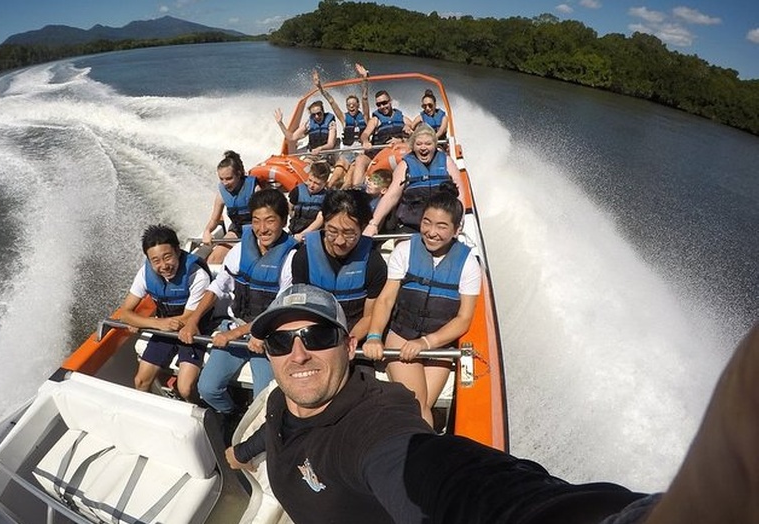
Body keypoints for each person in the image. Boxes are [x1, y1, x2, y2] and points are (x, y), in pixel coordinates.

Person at [226, 285, 759, 524]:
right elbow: (278, 426)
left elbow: (443, 478)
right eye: (280, 342)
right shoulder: (285, 395)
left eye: (317, 336)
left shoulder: (376, 420)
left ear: (347, 344)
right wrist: (241, 451)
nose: (298, 353)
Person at [363, 182, 479, 426]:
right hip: (402, 337)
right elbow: (385, 299)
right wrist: (374, 336)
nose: (431, 232)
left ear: (457, 230)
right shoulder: (404, 250)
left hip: (438, 344)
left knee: (423, 406)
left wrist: (426, 342)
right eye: (426, 222)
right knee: (417, 406)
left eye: (441, 226)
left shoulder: (468, 264)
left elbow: (464, 318)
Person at [179, 188, 296, 416]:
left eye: (270, 221)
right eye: (256, 221)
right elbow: (217, 287)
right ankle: (235, 416)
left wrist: (233, 336)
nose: (262, 229)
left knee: (265, 399)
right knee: (207, 389)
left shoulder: (291, 259)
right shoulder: (240, 251)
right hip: (236, 327)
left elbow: (279, 309)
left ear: (283, 221)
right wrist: (193, 320)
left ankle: (257, 425)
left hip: (269, 337)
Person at [117, 224, 212, 400]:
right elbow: (125, 312)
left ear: (177, 250)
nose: (164, 266)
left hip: (195, 330)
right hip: (163, 328)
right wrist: (156, 323)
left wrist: (139, 321)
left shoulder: (197, 275)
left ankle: (201, 412)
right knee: (140, 381)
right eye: (156, 261)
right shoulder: (145, 274)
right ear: (149, 260)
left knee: (185, 388)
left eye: (167, 257)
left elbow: (187, 318)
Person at [286, 189, 387, 340]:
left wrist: (347, 342)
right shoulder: (303, 257)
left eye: (349, 233)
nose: (340, 241)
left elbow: (369, 316)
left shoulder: (374, 263)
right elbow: (301, 308)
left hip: (354, 338)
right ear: (324, 223)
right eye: (332, 231)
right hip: (315, 335)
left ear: (363, 227)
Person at [363, 123, 465, 236]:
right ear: (413, 146)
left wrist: (459, 221)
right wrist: (373, 224)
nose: (423, 148)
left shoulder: (446, 161)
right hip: (411, 226)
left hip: (441, 224)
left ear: (435, 145)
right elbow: (391, 196)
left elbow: (459, 193)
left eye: (428, 144)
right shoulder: (404, 165)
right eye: (419, 144)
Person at [312, 64, 371, 189]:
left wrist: (364, 79)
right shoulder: (344, 118)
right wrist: (319, 87)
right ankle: (327, 188)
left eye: (353, 104)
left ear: (358, 105)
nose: (351, 106)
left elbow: (365, 97)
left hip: (360, 154)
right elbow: (331, 101)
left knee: (350, 175)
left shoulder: (365, 117)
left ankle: (345, 191)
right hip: (346, 152)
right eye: (348, 105)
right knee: (339, 169)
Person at [200, 150, 257, 265]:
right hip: (237, 231)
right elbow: (214, 220)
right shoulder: (221, 195)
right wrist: (207, 231)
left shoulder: (255, 189)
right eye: (222, 179)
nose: (225, 183)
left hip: (258, 230)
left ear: (239, 174)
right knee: (213, 260)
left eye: (229, 178)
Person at [353, 89, 413, 188]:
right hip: (378, 156)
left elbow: (417, 133)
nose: (382, 107)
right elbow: (365, 134)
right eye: (379, 104)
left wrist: (403, 138)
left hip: (397, 153)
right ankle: (357, 189)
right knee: (360, 159)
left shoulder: (403, 119)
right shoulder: (375, 120)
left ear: (390, 101)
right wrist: (365, 141)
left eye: (384, 103)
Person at [287, 161, 329, 241]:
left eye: (317, 183)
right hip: (294, 232)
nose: (312, 185)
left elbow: (320, 219)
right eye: (310, 180)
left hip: (313, 235)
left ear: (324, 184)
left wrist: (302, 235)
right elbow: (290, 207)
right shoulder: (297, 191)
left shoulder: (326, 197)